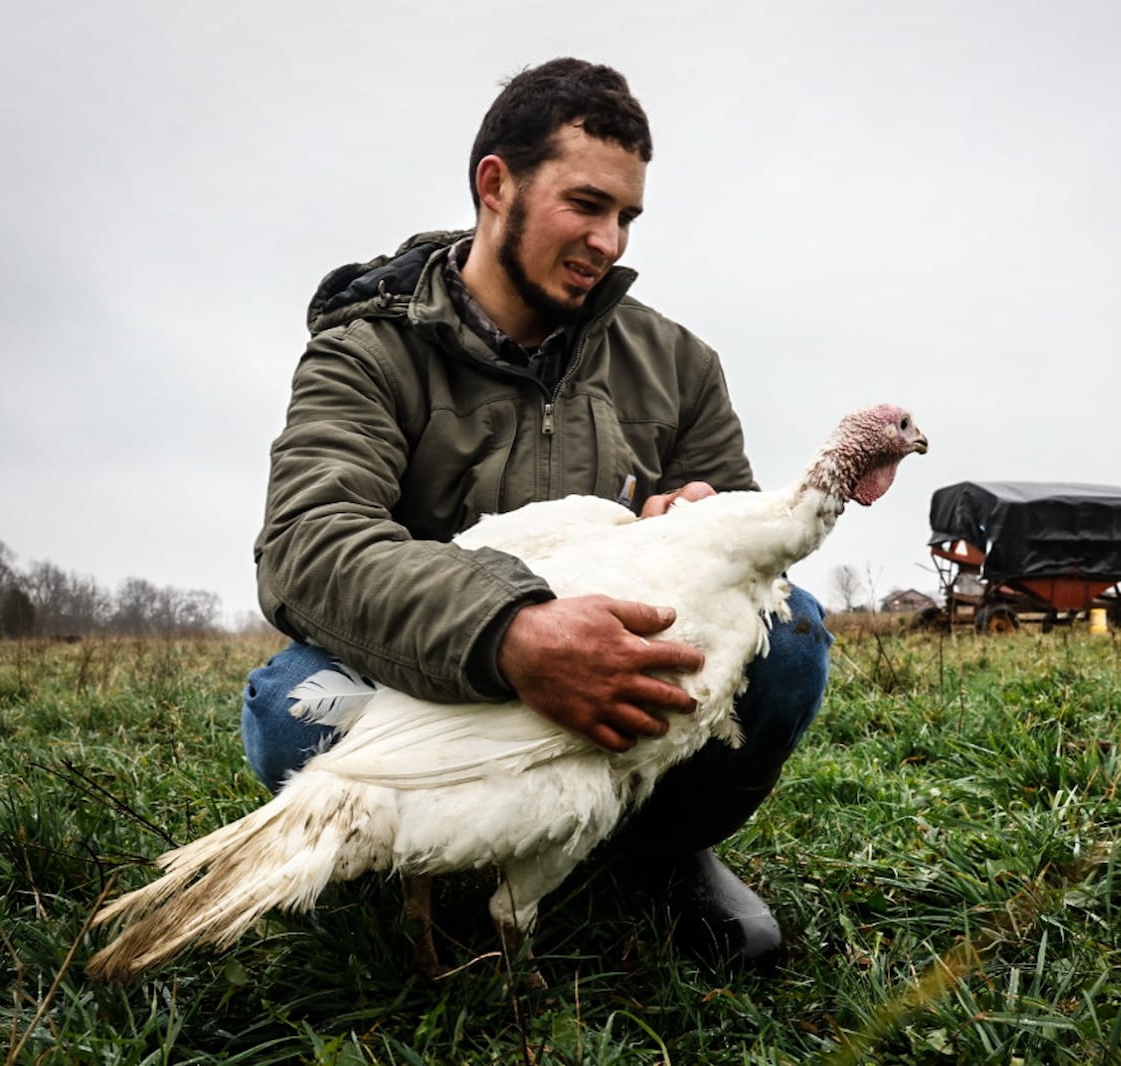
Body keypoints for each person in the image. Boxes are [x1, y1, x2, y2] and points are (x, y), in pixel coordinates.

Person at [239, 57, 830, 968]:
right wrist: (509, 633)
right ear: (495, 185)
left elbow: (754, 565)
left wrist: (698, 523)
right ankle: (431, 875)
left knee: (787, 641)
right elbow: (309, 546)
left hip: (625, 686)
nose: (611, 240)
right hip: (438, 689)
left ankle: (658, 852)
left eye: (627, 216)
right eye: (587, 204)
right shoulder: (367, 352)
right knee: (288, 713)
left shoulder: (680, 363)